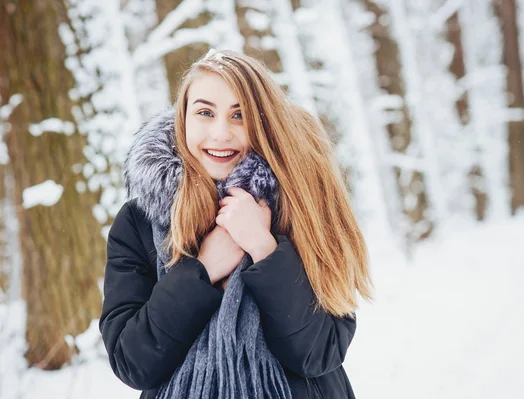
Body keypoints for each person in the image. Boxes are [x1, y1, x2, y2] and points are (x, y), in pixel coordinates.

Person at [99, 49, 372, 399]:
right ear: (183, 119)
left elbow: (319, 352)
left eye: (239, 115)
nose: (220, 133)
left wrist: (263, 247)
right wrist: (203, 268)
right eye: (204, 112)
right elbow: (133, 361)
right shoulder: (141, 220)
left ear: (263, 122)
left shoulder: (302, 203)